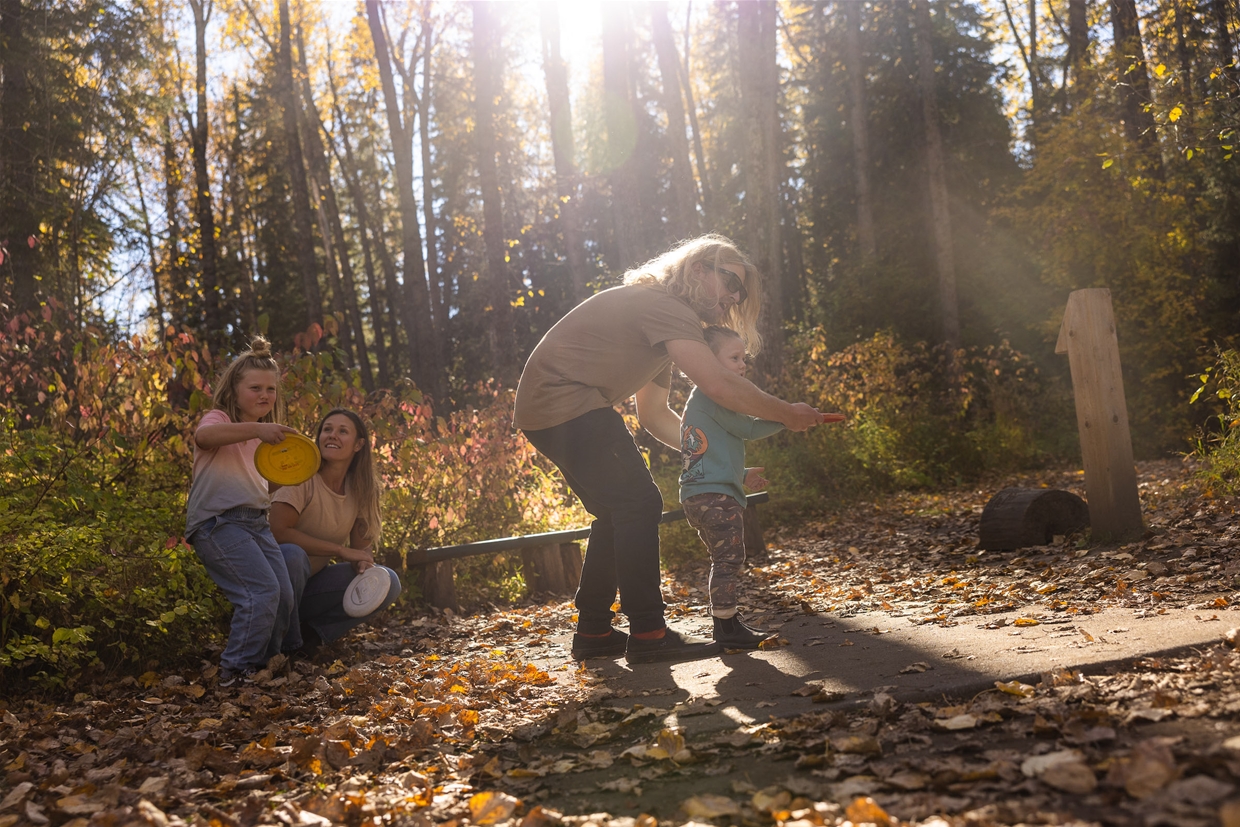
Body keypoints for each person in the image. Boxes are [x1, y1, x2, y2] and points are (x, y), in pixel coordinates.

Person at [514, 234, 826, 665]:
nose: (735, 297)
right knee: (640, 504)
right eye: (730, 282)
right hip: (566, 400)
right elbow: (718, 385)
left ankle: (594, 631)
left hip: (548, 409)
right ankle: (649, 634)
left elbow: (655, 414)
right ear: (698, 270)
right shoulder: (664, 306)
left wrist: (715, 462)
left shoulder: (664, 321)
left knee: (618, 509)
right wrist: (786, 412)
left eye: (741, 291)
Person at [185, 337, 298, 682]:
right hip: (219, 524)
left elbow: (263, 486)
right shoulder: (219, 419)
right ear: (234, 390)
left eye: (271, 389)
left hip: (256, 522)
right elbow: (204, 438)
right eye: (255, 388)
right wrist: (258, 430)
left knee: (282, 595)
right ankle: (235, 671)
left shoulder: (266, 441)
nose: (265, 396)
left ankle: (264, 665)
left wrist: (298, 470)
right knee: (259, 593)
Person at [680, 326, 787, 649]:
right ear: (708, 362)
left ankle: (727, 620)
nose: (742, 365)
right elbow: (750, 428)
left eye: (744, 358)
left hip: (697, 494)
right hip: (714, 497)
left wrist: (740, 474)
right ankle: (726, 629)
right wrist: (789, 417)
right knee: (728, 560)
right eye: (734, 358)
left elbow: (709, 456)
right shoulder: (713, 396)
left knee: (723, 558)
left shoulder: (700, 401)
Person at [270, 408, 401, 655]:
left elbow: (361, 550)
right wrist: (341, 551)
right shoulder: (301, 476)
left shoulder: (361, 488)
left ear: (359, 444)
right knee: (293, 555)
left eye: (343, 431)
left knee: (388, 582)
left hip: (311, 589)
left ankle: (311, 637)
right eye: (327, 429)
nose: (332, 436)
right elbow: (278, 531)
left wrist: (363, 565)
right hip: (275, 588)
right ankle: (287, 646)